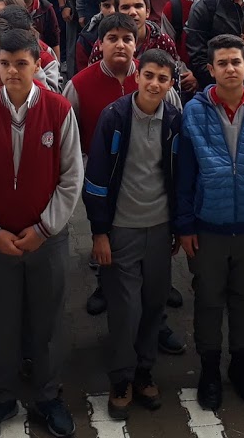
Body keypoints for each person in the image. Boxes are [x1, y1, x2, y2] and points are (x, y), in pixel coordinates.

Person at [0, 29, 82, 438]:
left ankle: (47, 395)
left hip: (46, 238)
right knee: (2, 321)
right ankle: (2, 395)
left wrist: (44, 228)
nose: (10, 70)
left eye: (20, 63)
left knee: (46, 321)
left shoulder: (58, 109)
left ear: (36, 64)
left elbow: (71, 178)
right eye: (4, 63)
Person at [177, 34, 244, 411]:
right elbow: (184, 174)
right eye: (222, 63)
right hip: (208, 227)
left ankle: (242, 366)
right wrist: (185, 225)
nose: (229, 69)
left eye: (235, 62)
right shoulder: (193, 113)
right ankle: (209, 369)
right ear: (210, 69)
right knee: (208, 299)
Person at [83, 49, 181, 419]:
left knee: (154, 303)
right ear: (137, 76)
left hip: (159, 226)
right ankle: (121, 378)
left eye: (163, 79)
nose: (154, 84)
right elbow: (96, 179)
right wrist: (99, 233)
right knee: (126, 308)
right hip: (121, 227)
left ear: (170, 85)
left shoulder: (174, 120)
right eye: (149, 75)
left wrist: (177, 226)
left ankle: (144, 371)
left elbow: (178, 176)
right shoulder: (115, 117)